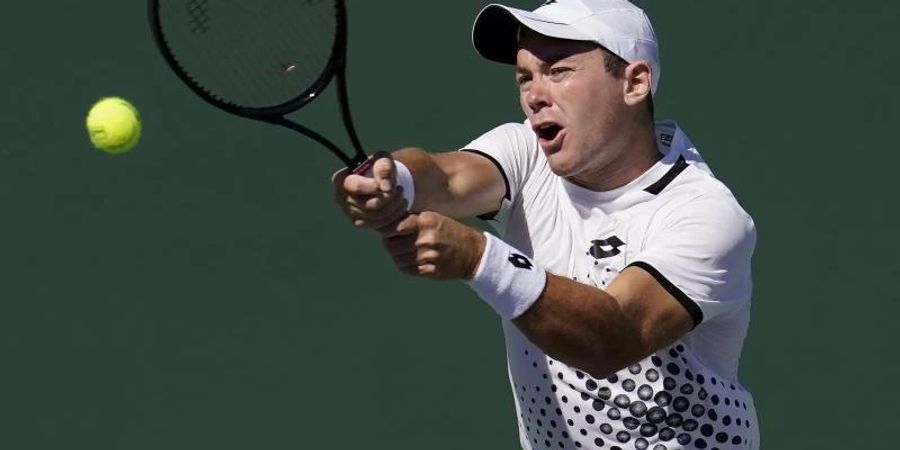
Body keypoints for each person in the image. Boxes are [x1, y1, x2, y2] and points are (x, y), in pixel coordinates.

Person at [332, 1, 759, 449]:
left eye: (558, 71)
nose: (534, 94)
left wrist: (480, 258)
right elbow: (444, 177)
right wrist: (392, 181)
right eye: (525, 76)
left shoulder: (705, 214)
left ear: (635, 83)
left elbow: (614, 337)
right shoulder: (526, 154)